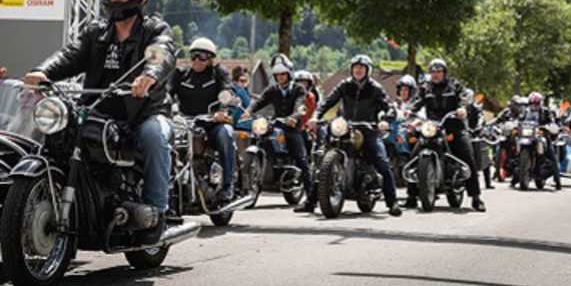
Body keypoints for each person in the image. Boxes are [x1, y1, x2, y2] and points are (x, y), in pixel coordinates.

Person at [20, 0, 176, 244]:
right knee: (56, 135)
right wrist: (43, 71)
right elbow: (71, 54)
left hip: (144, 113)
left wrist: (148, 77)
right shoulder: (97, 32)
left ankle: (157, 213)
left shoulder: (154, 29)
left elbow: (161, 54)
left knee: (155, 137)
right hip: (98, 111)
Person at [309, 54, 402, 216]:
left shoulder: (375, 88)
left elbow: (390, 107)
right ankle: (309, 202)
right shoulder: (344, 85)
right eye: (355, 67)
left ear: (367, 70)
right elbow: (328, 101)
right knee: (322, 161)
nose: (358, 70)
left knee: (382, 163)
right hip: (345, 128)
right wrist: (316, 117)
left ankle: (392, 202)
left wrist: (386, 120)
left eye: (361, 68)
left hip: (368, 129)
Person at [405, 59, 485, 212]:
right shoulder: (425, 88)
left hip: (453, 127)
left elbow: (463, 98)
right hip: (432, 127)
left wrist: (462, 109)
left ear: (444, 73)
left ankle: (476, 198)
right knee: (414, 156)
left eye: (438, 71)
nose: (435, 74)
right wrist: (409, 110)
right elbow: (416, 101)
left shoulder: (454, 85)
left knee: (467, 157)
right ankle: (412, 196)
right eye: (433, 71)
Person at [169, 37, 237, 199]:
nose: (197, 60)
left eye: (202, 56)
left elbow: (227, 92)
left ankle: (228, 185)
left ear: (211, 59)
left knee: (226, 134)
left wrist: (222, 111)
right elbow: (167, 93)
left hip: (212, 123)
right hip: (185, 122)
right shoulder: (181, 74)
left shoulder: (219, 72)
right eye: (194, 56)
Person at [243, 61, 314, 213]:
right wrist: (248, 111)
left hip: (291, 126)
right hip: (275, 124)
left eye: (283, 74)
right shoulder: (272, 89)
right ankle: (245, 192)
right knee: (260, 135)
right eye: (277, 75)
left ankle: (310, 200)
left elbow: (300, 105)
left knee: (302, 160)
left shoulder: (298, 89)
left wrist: (294, 116)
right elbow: (260, 101)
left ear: (288, 74)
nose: (280, 77)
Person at [520, 91, 562, 190]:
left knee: (552, 155)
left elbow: (552, 121)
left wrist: (549, 126)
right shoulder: (525, 111)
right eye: (532, 103)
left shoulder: (546, 111)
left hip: (542, 135)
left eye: (536, 103)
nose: (534, 105)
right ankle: (516, 177)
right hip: (528, 136)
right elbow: (520, 120)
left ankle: (557, 181)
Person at [466, 91, 495, 190]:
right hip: (464, 133)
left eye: (467, 98)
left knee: (484, 154)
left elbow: (480, 118)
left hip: (475, 134)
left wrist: (477, 128)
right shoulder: (456, 108)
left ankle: (488, 182)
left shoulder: (475, 108)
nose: (465, 100)